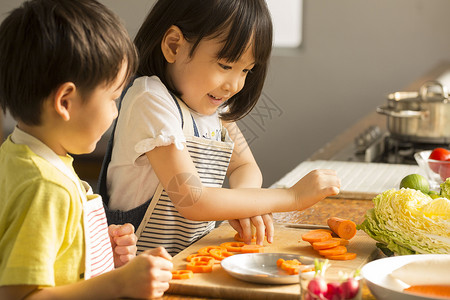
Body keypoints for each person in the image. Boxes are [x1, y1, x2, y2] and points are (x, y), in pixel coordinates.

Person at [99, 0, 341, 256]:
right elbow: (192, 200)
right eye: (225, 65)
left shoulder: (213, 108)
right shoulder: (150, 100)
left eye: (246, 69)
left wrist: (246, 206)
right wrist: (292, 197)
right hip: (135, 269)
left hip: (185, 260)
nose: (234, 85)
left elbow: (244, 166)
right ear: (174, 46)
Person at [0, 0, 173, 299]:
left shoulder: (17, 154)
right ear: (65, 102)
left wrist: (92, 250)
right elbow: (19, 295)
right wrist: (119, 284)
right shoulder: (45, 187)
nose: (115, 113)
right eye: (112, 98)